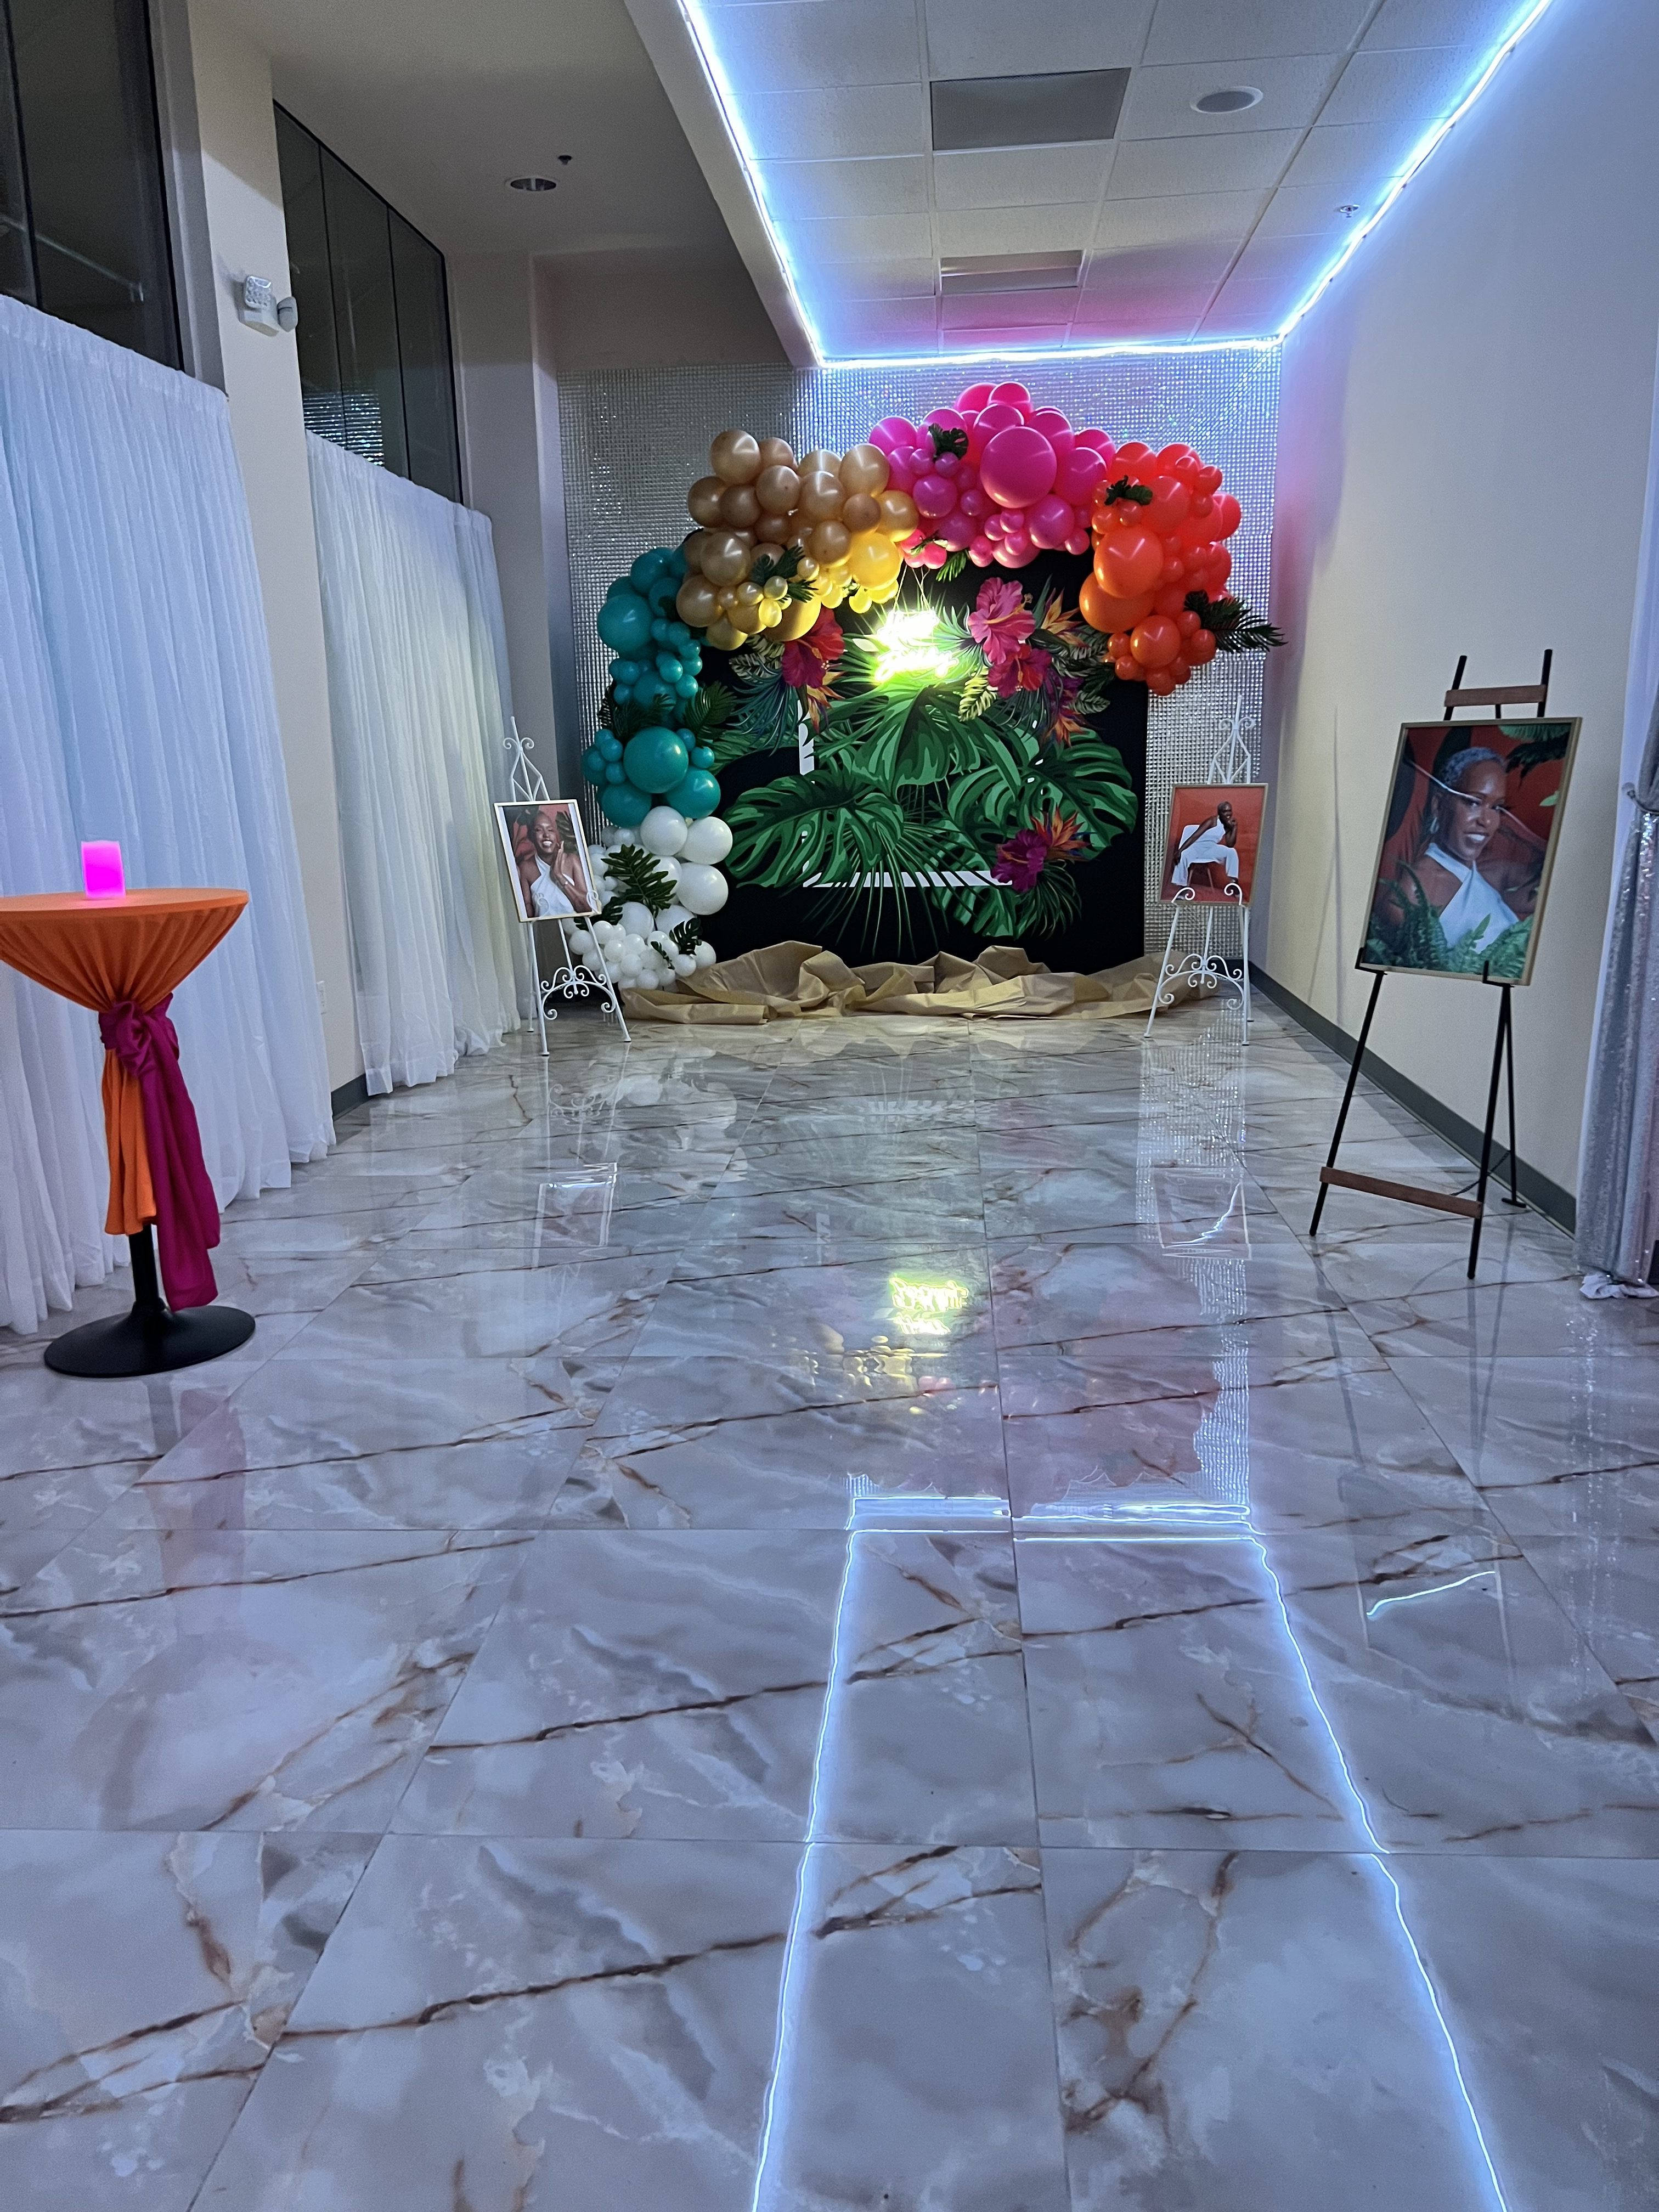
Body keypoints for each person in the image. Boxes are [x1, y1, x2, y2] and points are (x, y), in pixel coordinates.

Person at [1370, 746, 1537, 967]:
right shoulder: (1408, 898)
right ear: (1439, 805)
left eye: (1496, 808)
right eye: (1474, 802)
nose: (1486, 821)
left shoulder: (1493, 875)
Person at [518, 806, 589, 919]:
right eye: (539, 830)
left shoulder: (572, 860)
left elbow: (587, 907)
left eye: (550, 830)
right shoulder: (526, 868)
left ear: (556, 835)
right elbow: (528, 912)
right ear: (531, 836)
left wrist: (559, 876)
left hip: (577, 929)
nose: (546, 835)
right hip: (546, 930)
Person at [1170, 798, 1240, 893]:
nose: (1228, 814)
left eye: (1230, 811)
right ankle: (1183, 888)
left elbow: (1230, 845)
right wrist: (1180, 851)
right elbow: (1195, 836)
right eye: (1225, 812)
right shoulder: (1212, 821)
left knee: (1232, 852)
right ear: (1219, 813)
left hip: (1211, 848)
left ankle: (1234, 883)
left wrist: (1234, 828)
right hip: (1197, 847)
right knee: (1184, 856)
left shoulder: (1228, 825)